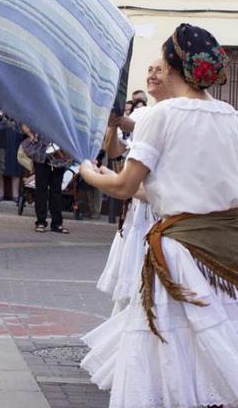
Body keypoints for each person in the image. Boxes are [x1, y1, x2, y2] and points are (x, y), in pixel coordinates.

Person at [79, 23, 238, 407]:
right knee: (221, 343)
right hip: (235, 249)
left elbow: (123, 186)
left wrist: (89, 173)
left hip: (184, 249)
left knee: (175, 348)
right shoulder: (228, 115)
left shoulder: (160, 115)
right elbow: (184, 183)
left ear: (170, 66)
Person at [95, 75, 157, 313]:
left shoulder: (169, 117)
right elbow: (116, 152)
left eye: (159, 70)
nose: (152, 74)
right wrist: (113, 125)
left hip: (157, 211)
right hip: (136, 215)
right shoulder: (142, 114)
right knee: (128, 289)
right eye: (150, 69)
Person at [22, 128, 70, 234]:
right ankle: (41, 222)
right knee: (41, 188)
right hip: (41, 151)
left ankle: (57, 223)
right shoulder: (40, 112)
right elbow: (25, 122)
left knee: (56, 190)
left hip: (59, 153)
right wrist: (30, 135)